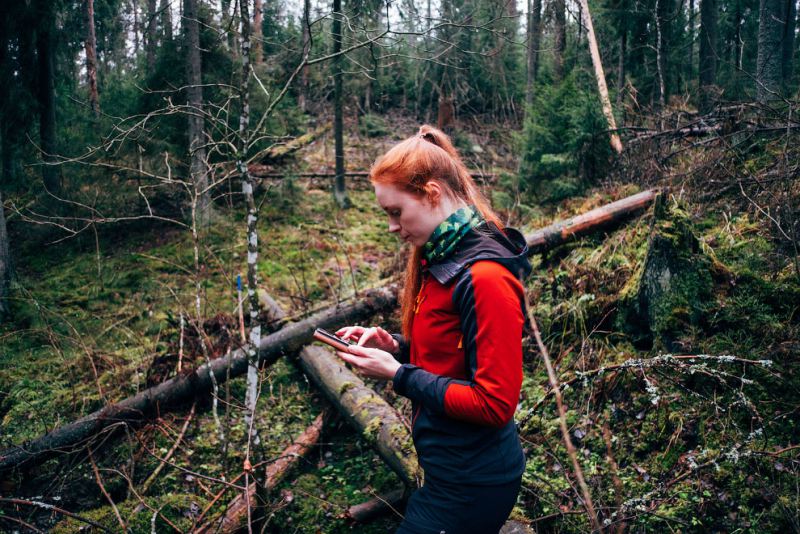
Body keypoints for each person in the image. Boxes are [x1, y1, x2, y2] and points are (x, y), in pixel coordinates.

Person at [334, 125, 531, 534]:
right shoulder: (442, 258)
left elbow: (495, 404)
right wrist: (398, 348)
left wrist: (398, 374)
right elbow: (453, 356)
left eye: (395, 212)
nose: (392, 226)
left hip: (474, 483)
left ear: (432, 193)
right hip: (447, 472)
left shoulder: (485, 278)